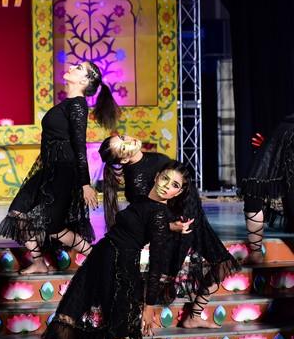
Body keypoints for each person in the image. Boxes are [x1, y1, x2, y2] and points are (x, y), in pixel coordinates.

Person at [43, 162, 193, 339]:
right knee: (64, 326)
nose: (167, 186)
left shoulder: (158, 214)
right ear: (157, 176)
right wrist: (171, 226)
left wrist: (149, 305)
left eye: (175, 185)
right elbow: (144, 222)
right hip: (96, 267)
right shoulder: (147, 203)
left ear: (179, 192)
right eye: (165, 178)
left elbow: (156, 263)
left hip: (120, 274)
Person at [99, 134, 240, 328]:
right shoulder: (136, 179)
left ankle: (194, 315)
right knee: (163, 280)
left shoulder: (155, 158)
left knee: (223, 264)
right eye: (123, 147)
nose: (128, 140)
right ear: (123, 160)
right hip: (175, 229)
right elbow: (148, 216)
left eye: (122, 137)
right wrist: (172, 226)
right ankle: (132, 320)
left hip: (194, 221)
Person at [0, 62, 119, 273]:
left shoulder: (78, 106)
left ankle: (98, 258)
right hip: (49, 170)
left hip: (63, 171)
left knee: (54, 228)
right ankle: (38, 262)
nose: (71, 66)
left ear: (85, 80)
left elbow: (79, 145)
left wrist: (84, 183)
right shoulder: (69, 104)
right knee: (17, 214)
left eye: (79, 68)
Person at [238, 115, 294, 264]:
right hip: (284, 133)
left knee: (255, 189)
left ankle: (256, 252)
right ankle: (256, 252)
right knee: (254, 189)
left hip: (283, 133)